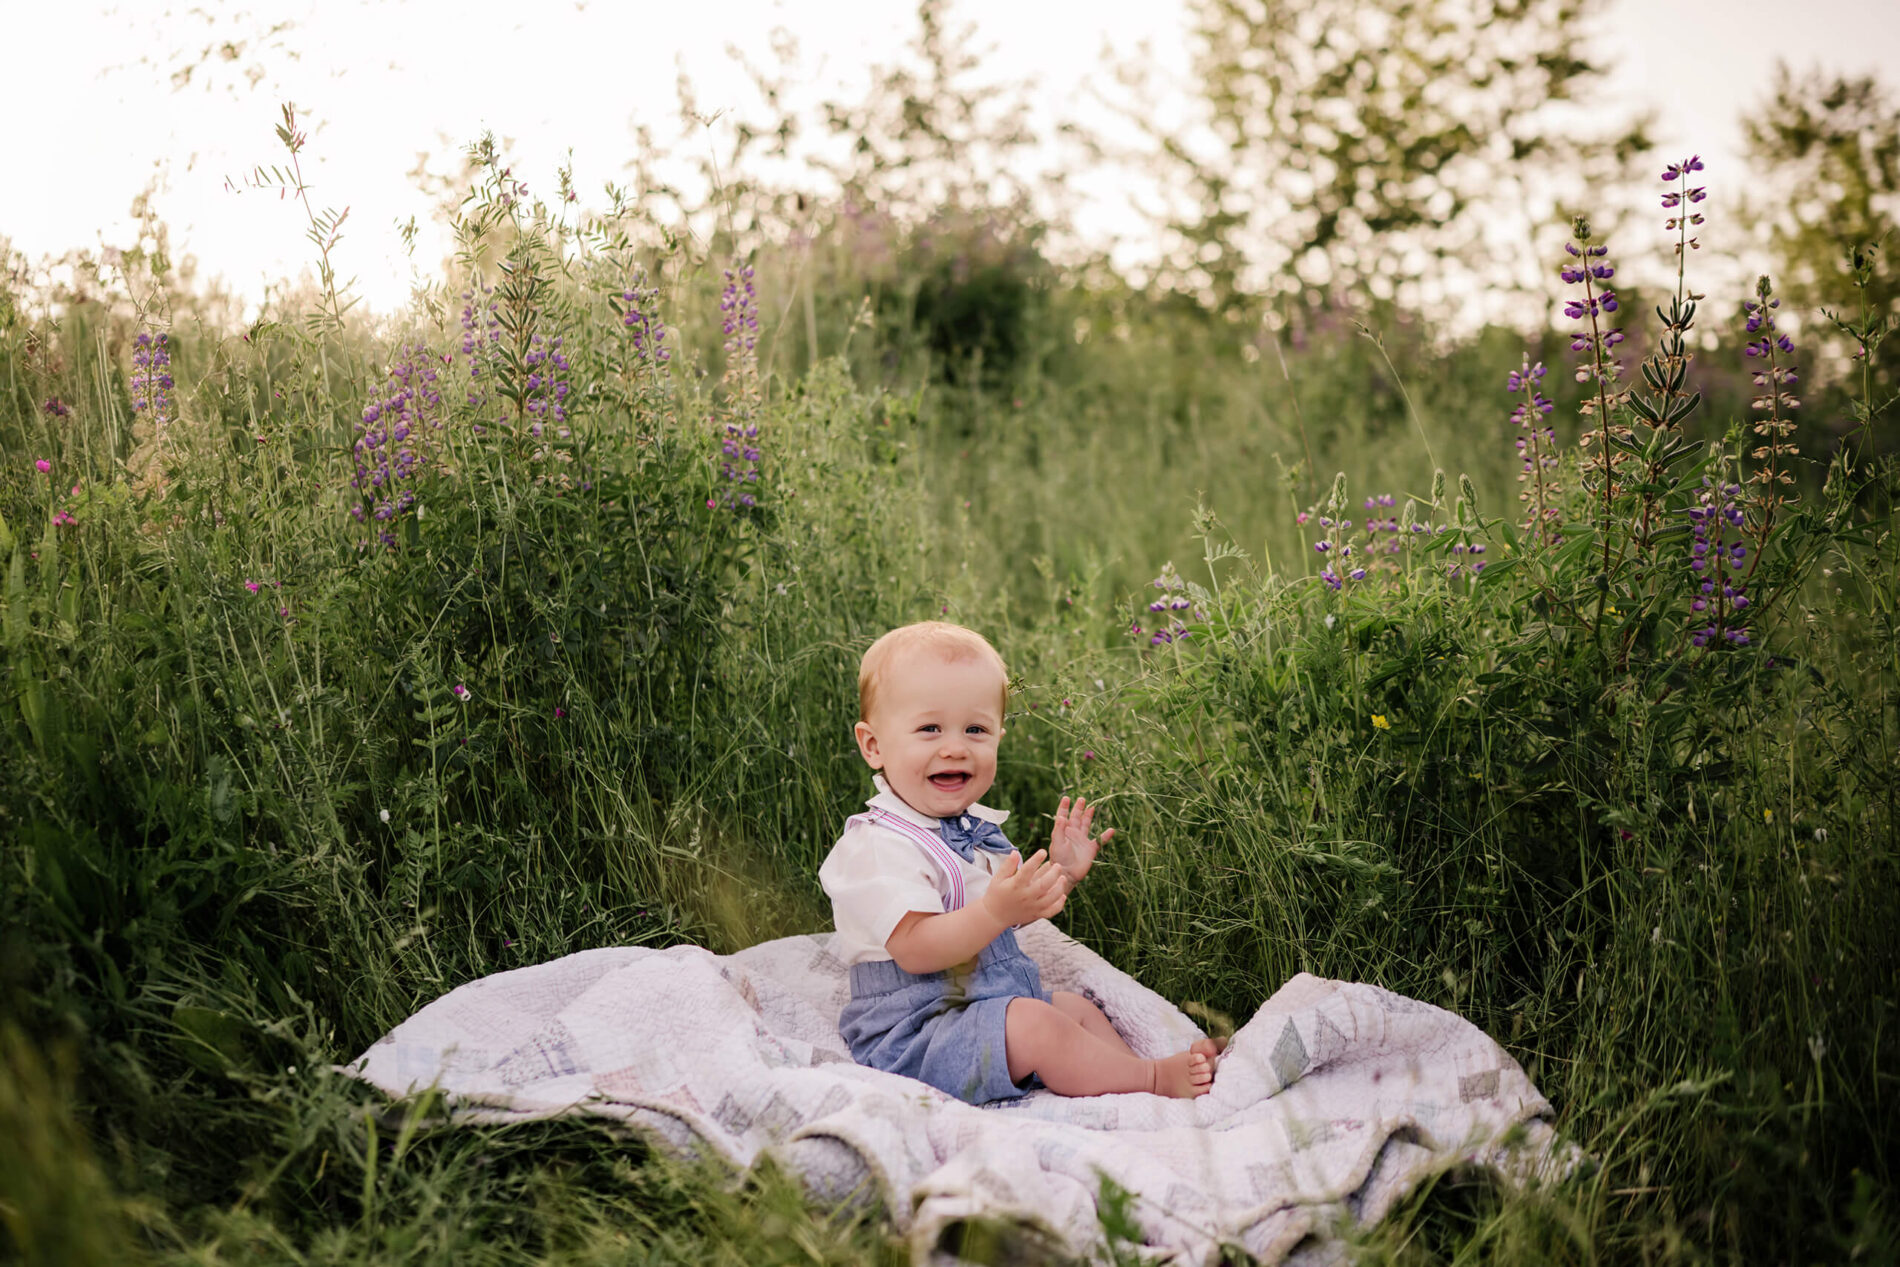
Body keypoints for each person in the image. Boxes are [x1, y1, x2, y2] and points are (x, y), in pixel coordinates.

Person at [821, 621, 1219, 1104]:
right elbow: (915, 950)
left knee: (1071, 1009)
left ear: (998, 738)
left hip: (986, 1005)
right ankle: (1154, 1081)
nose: (955, 746)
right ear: (874, 746)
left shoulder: (971, 831)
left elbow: (1015, 909)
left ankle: (1128, 1076)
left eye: (976, 729)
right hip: (920, 1032)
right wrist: (994, 913)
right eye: (929, 728)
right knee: (1034, 1025)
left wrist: (1062, 874)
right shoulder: (879, 844)